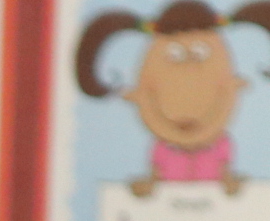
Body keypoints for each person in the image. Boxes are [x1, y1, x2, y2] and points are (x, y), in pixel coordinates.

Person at [74, 2, 270, 195]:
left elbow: (227, 177)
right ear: (137, 94)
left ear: (235, 85)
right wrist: (144, 188)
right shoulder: (162, 150)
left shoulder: (221, 146)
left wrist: (233, 186)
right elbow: (153, 178)